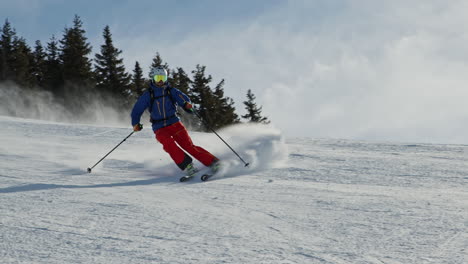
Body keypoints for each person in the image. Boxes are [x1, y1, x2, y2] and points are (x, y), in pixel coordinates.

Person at [131, 67, 219, 178]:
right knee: (169, 144)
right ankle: (188, 166)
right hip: (159, 127)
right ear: (153, 78)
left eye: (163, 78)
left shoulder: (171, 91)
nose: (160, 81)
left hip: (174, 123)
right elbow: (136, 110)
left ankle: (213, 162)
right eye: (158, 78)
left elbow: (184, 99)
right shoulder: (148, 94)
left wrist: (187, 105)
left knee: (188, 146)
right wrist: (135, 123)